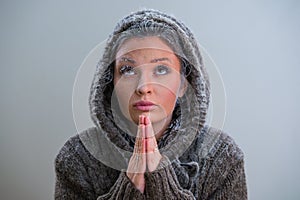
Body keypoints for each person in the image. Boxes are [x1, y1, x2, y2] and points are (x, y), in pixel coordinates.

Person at [54, 9, 247, 199]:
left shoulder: (222, 155)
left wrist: (162, 186)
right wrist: (127, 190)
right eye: (128, 69)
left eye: (161, 69)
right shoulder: (77, 157)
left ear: (183, 84)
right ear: (110, 83)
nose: (143, 87)